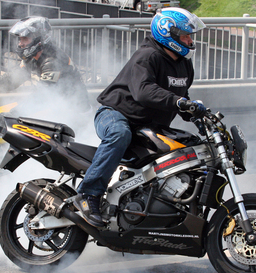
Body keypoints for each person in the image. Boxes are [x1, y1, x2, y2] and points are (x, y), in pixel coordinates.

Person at [73, 7, 208, 228]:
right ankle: (88, 195)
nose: (189, 40)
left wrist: (196, 113)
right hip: (117, 115)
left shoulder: (184, 64)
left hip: (147, 125)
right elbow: (144, 91)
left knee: (184, 146)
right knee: (119, 134)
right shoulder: (147, 56)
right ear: (169, 34)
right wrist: (179, 102)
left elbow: (180, 97)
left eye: (190, 35)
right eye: (184, 35)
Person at [0, 16, 89, 109]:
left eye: (25, 39)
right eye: (20, 39)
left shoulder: (53, 60)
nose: (20, 44)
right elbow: (12, 79)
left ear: (39, 39)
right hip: (56, 106)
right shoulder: (34, 57)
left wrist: (13, 112)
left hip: (74, 111)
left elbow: (42, 95)